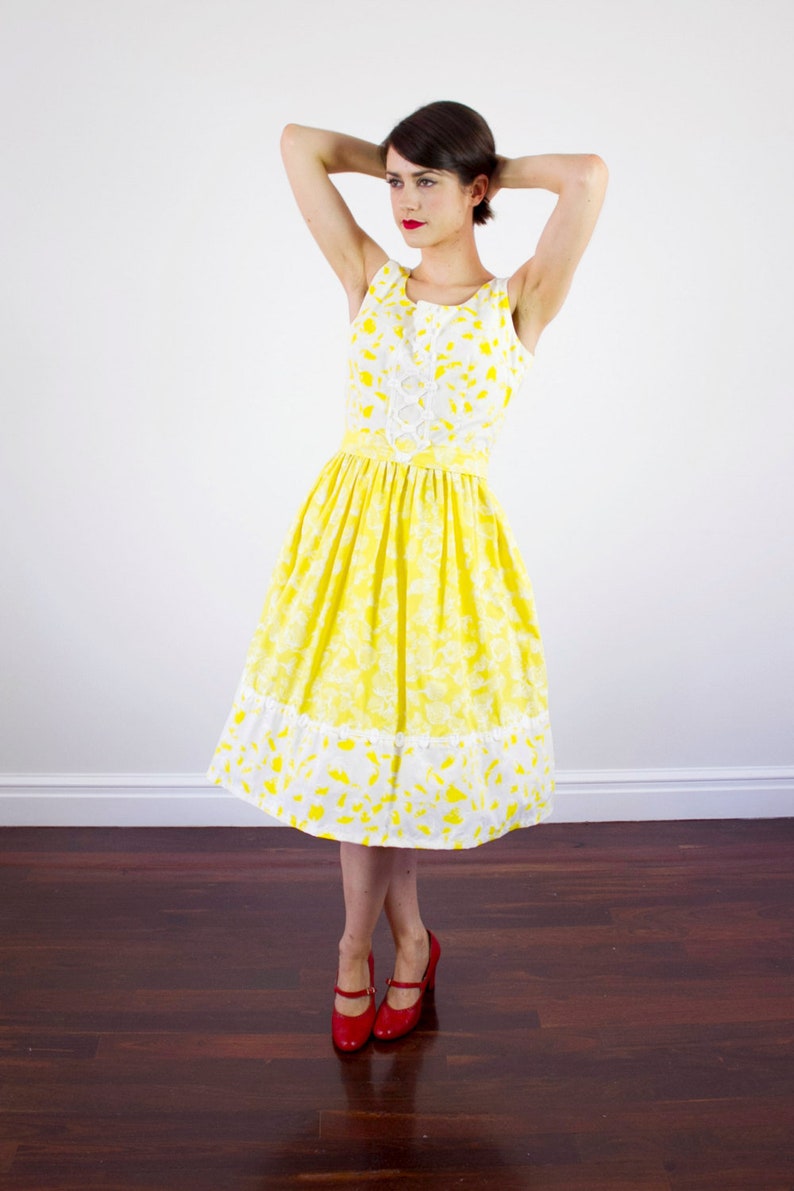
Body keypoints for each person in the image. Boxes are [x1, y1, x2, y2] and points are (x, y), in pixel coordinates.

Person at [207, 101, 607, 1051]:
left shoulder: (519, 300)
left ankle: (371, 950)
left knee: (394, 771)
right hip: (349, 546)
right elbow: (299, 144)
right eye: (393, 182)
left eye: (427, 183)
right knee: (362, 768)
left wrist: (479, 170)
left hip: (448, 562)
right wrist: (414, 164)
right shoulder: (370, 280)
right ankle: (387, 947)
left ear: (476, 192)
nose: (403, 202)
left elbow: (587, 175)